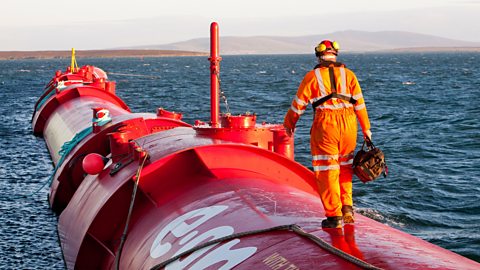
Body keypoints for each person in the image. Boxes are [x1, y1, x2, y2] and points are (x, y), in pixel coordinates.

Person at [283, 40, 372, 228]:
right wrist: (366, 129)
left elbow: (298, 105)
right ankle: (347, 207)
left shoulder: (312, 77)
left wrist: (289, 124)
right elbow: (360, 104)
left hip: (326, 126)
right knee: (345, 167)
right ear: (336, 54)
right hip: (349, 125)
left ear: (318, 55)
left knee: (327, 170)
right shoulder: (349, 75)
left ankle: (334, 216)